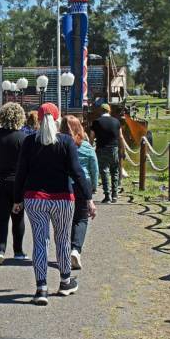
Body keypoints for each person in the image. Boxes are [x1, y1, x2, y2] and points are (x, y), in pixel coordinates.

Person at [14, 103, 96, 306]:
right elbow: (77, 172)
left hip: (35, 199)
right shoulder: (66, 142)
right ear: (58, 119)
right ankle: (65, 281)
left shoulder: (29, 141)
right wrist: (88, 198)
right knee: (63, 240)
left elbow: (21, 173)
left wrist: (17, 199)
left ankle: (41, 288)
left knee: (40, 242)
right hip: (62, 198)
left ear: (38, 120)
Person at [0, 103, 27, 265]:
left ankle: (0, 249)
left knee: (1, 217)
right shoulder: (23, 138)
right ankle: (18, 251)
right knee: (18, 217)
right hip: (18, 182)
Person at [60, 115, 98, 270]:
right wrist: (93, 187)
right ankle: (76, 249)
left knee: (65, 219)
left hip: (64, 184)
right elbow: (93, 167)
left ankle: (66, 249)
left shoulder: (59, 144)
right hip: (83, 184)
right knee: (81, 219)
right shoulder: (86, 147)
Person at [90, 103, 123, 203]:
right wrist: (122, 150)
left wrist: (91, 147)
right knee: (115, 171)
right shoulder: (116, 121)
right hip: (114, 149)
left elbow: (92, 137)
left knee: (104, 172)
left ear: (101, 111)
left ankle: (107, 196)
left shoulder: (96, 122)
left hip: (101, 149)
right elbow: (120, 137)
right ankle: (115, 195)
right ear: (109, 111)